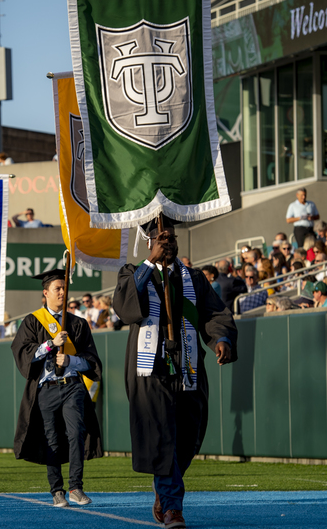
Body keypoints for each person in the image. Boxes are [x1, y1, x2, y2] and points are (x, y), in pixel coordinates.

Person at [112, 215, 237, 529]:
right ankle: (172, 507)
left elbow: (214, 312)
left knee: (187, 437)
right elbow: (125, 308)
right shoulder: (133, 273)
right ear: (150, 242)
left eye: (171, 238)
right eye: (161, 238)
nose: (167, 242)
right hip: (150, 370)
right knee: (162, 437)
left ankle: (164, 488)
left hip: (188, 366)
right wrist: (149, 263)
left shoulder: (192, 278)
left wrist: (221, 338)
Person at [11, 268, 103, 508]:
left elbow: (92, 361)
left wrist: (71, 360)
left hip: (73, 386)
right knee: (51, 438)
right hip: (46, 388)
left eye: (64, 288)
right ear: (45, 293)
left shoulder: (79, 324)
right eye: (57, 289)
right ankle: (57, 490)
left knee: (76, 434)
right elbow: (22, 353)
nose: (62, 292)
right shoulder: (32, 321)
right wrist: (51, 344)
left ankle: (75, 487)